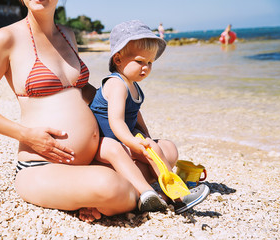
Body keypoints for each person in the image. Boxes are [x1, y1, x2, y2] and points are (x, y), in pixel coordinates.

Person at [0, 0, 140, 223]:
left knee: (166, 151)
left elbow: (83, 90)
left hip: (91, 157)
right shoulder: (6, 38)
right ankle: (126, 196)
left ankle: (101, 198)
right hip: (41, 166)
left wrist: (126, 114)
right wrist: (27, 136)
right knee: (112, 186)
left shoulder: (67, 34)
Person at [90, 20, 210, 214]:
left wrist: (145, 135)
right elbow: (116, 121)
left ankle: (175, 194)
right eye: (139, 61)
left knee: (154, 147)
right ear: (118, 59)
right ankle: (148, 193)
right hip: (102, 142)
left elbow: (135, 113)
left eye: (149, 63)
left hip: (122, 138)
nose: (145, 67)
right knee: (120, 151)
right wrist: (132, 141)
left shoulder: (133, 85)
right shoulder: (116, 84)